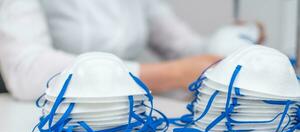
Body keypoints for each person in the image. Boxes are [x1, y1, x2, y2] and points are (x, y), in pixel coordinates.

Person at [0, 0, 261, 100]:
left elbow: (183, 47)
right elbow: (26, 70)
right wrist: (168, 75)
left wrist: (234, 39)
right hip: (51, 122)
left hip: (130, 118)